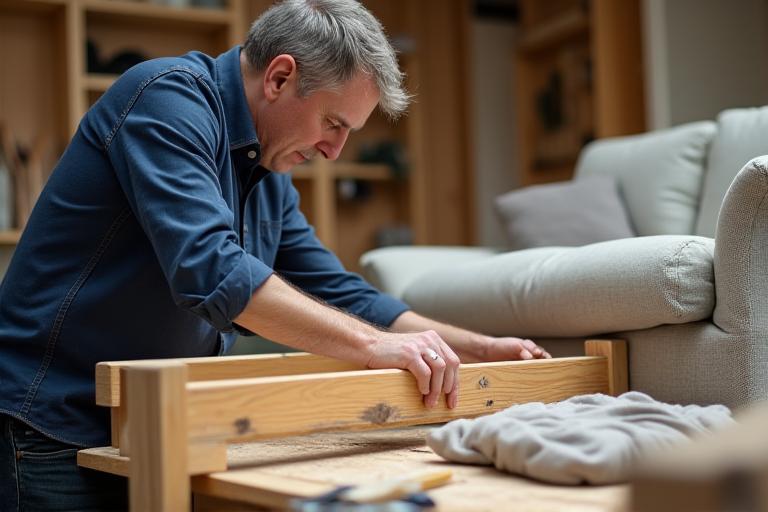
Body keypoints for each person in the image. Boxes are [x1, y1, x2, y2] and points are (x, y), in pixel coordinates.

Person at [0, 0, 550, 509]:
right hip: (48, 424)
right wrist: (374, 346)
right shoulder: (166, 99)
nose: (335, 151)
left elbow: (338, 291)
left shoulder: (266, 171)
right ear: (279, 77)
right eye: (333, 123)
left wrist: (477, 348)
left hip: (144, 424)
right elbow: (212, 271)